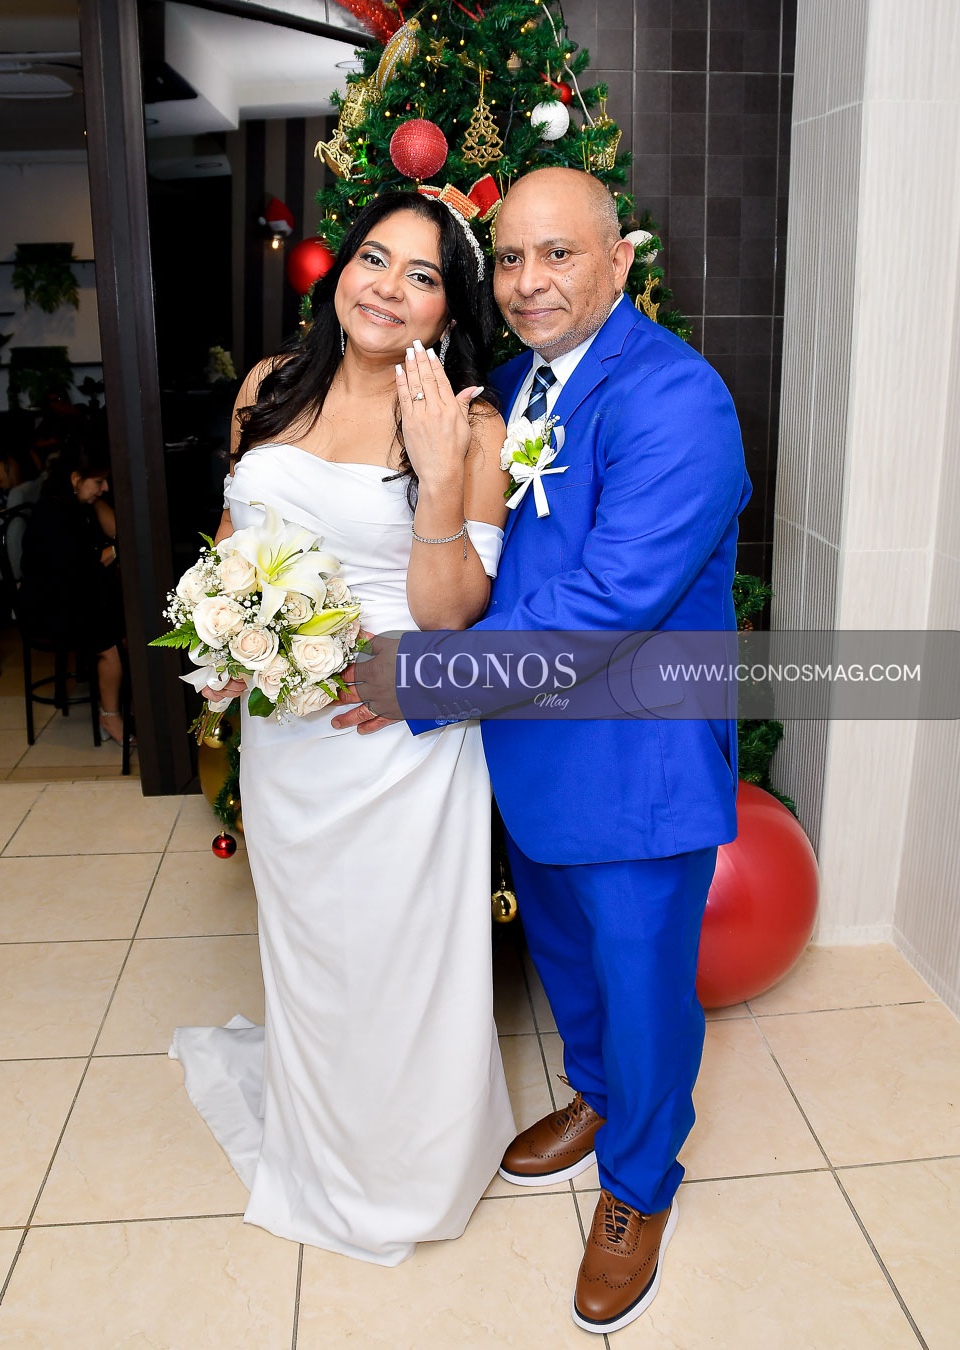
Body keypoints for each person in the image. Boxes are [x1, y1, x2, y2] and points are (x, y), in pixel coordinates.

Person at [336, 166, 752, 1330]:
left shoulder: (678, 398)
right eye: (511, 257)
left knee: (644, 987)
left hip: (635, 765)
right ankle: (600, 1098)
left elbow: (610, 602)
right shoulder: (514, 385)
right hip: (531, 753)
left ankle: (640, 1183)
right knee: (570, 962)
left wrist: (423, 681)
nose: (527, 282)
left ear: (620, 261)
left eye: (558, 254)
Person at [170, 192, 516, 1265]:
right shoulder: (269, 387)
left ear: (449, 309)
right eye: (374, 257)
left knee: (402, 961)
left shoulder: (473, 424)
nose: (388, 287)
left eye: (422, 275)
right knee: (312, 949)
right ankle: (320, 1149)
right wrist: (222, 643)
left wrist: (438, 473)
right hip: (285, 737)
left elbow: (453, 617)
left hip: (397, 743)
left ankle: (409, 1170)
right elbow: (233, 536)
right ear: (340, 272)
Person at [16, 433, 130, 746]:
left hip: (70, 594)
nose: (105, 488)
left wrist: (94, 497)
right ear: (76, 478)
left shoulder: (76, 503)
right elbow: (78, 568)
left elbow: (116, 532)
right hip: (46, 606)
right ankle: (110, 716)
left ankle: (121, 703)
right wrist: (113, 552)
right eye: (99, 482)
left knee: (124, 626)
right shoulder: (53, 513)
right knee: (111, 643)